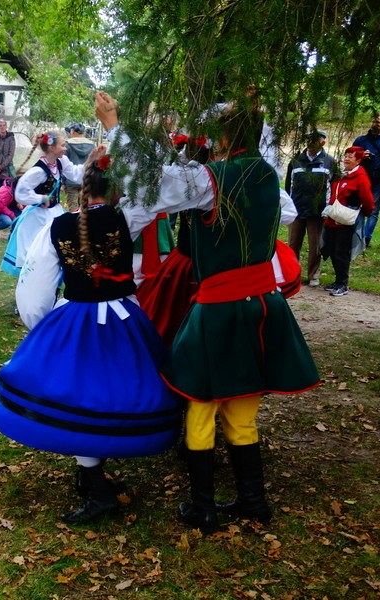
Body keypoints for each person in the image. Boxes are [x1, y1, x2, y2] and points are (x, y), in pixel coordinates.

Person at [95, 91, 320, 534]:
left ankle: (204, 507)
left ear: (223, 138)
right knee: (242, 410)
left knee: (200, 405)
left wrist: (116, 127)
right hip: (264, 306)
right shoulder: (267, 173)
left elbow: (153, 183)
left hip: (220, 309)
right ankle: (253, 501)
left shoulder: (213, 178)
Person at [0, 151, 181, 524]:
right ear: (118, 188)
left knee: (79, 393)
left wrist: (43, 329)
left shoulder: (56, 226)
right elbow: (162, 193)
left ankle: (97, 487)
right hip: (125, 318)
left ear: (81, 187)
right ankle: (94, 476)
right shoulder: (128, 216)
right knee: (111, 390)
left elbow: (36, 289)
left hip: (77, 319)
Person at [0, 131, 85, 276]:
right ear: (52, 148)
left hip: (55, 212)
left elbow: (76, 174)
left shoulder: (61, 162)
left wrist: (92, 160)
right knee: (35, 248)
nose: (65, 148)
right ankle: (33, 278)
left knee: (54, 247)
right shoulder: (39, 171)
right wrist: (40, 198)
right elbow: (21, 192)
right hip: (38, 217)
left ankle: (49, 277)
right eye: (62, 145)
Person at [285, 130, 338, 287]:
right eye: (308, 139)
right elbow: (288, 185)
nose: (311, 142)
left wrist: (328, 207)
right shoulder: (295, 161)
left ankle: (313, 275)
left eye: (315, 140)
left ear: (323, 142)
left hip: (317, 211)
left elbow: (334, 186)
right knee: (293, 244)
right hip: (297, 209)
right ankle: (292, 275)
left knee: (315, 246)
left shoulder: (329, 161)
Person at [321, 147, 375, 296]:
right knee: (331, 250)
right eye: (346, 156)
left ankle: (342, 284)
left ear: (358, 160)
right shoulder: (341, 174)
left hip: (346, 221)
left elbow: (368, 200)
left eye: (351, 156)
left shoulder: (360, 177)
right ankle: (337, 280)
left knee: (341, 252)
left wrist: (364, 213)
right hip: (333, 219)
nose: (346, 159)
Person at [353, 114, 380, 246]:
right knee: (357, 207)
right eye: (373, 121)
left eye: (378, 122)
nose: (374, 124)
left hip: (378, 181)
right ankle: (356, 235)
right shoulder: (361, 140)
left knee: (374, 211)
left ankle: (366, 238)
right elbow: (351, 156)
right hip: (361, 180)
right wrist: (361, 155)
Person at [63, 123, 97, 211]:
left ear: (72, 131)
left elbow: (63, 163)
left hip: (71, 181)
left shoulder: (67, 145)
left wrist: (63, 182)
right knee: (86, 208)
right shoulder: (92, 145)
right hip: (87, 180)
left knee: (73, 208)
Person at [0, 119, 16, 189]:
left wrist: (1, 167)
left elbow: (10, 155)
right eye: (0, 125)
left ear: (6, 126)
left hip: (7, 170)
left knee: (7, 191)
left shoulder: (11, 139)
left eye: (4, 125)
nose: (2, 127)